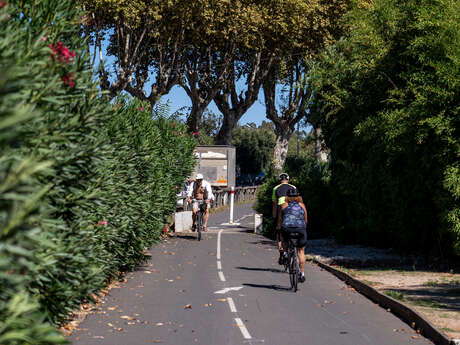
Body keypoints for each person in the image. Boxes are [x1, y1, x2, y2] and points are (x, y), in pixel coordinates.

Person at [277, 188, 308, 283]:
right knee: (301, 251)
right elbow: (306, 220)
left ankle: (285, 253)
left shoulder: (283, 206)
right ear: (298, 197)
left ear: (287, 197)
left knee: (282, 235)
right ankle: (302, 273)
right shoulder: (302, 206)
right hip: (300, 229)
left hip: (287, 229)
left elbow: (280, 221)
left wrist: (278, 228)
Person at [272, 172, 297, 264]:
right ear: (288, 180)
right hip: (294, 210)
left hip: (280, 209)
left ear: (280, 181)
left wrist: (274, 217)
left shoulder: (276, 188)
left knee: (279, 231)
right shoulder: (293, 187)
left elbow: (274, 204)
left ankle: (282, 253)